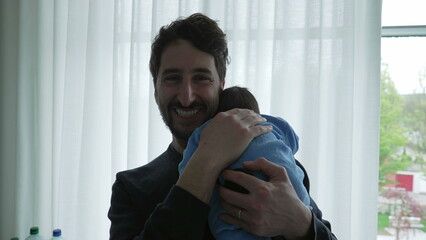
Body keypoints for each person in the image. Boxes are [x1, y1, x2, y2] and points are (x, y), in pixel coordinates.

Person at [108, 13, 337, 240]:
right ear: (156, 89)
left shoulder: (274, 167)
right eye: (172, 78)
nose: (186, 97)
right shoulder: (130, 188)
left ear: (221, 87)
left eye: (201, 78)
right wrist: (206, 160)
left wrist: (300, 223)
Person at [179, 86, 311, 239]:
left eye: (201, 78)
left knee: (222, 219)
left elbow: (188, 166)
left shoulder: (206, 131)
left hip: (237, 211)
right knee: (297, 175)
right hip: (295, 191)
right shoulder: (271, 123)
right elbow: (293, 140)